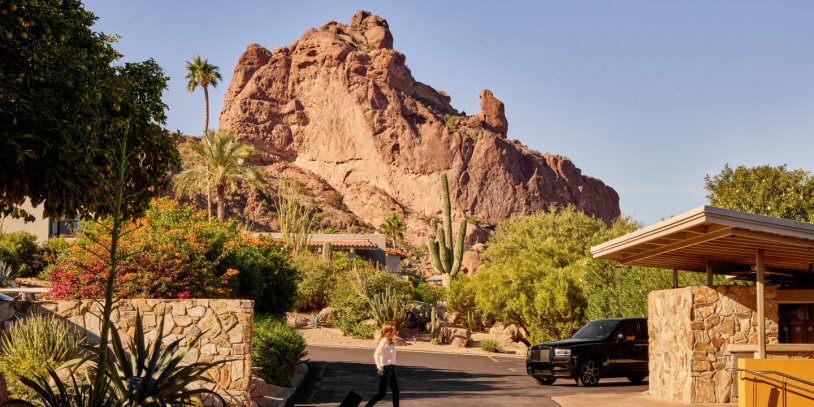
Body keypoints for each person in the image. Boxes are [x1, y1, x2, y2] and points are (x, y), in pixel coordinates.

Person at [365, 321, 399, 406]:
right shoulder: (384, 341)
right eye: (394, 329)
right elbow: (376, 353)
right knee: (381, 394)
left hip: (392, 369)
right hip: (386, 369)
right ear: (389, 330)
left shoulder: (390, 340)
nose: (395, 330)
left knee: (396, 391)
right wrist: (379, 367)